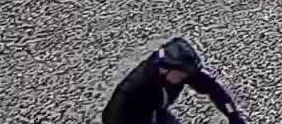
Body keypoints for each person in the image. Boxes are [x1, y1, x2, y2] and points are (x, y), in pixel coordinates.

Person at [102, 37, 246, 124]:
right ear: (165, 70)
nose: (186, 78)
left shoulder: (181, 69)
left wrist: (233, 116)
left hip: (156, 111)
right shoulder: (135, 89)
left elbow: (214, 89)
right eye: (183, 74)